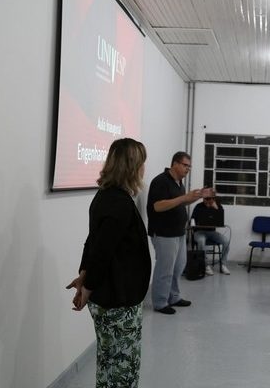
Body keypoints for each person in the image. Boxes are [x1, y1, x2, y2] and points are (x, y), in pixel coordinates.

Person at [66, 138, 151, 388]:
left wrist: (84, 277)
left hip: (111, 297)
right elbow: (101, 252)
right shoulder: (119, 204)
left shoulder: (105, 196)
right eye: (142, 163)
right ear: (132, 167)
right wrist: (87, 286)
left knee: (108, 364)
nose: (144, 168)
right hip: (118, 302)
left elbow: (93, 242)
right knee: (122, 371)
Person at [148, 151, 203, 315]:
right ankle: (160, 302)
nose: (188, 169)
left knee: (178, 267)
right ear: (175, 164)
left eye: (189, 167)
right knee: (165, 269)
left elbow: (180, 203)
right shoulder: (160, 181)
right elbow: (158, 206)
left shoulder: (179, 183)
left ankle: (174, 297)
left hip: (178, 232)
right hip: (164, 233)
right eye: (185, 165)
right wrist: (184, 197)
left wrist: (196, 197)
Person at [191, 191, 230, 275]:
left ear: (213, 198)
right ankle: (205, 265)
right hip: (199, 231)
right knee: (201, 241)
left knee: (226, 241)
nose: (207, 200)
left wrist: (216, 208)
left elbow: (220, 221)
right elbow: (192, 220)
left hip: (211, 232)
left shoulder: (217, 206)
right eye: (205, 198)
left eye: (209, 199)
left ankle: (223, 265)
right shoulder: (198, 206)